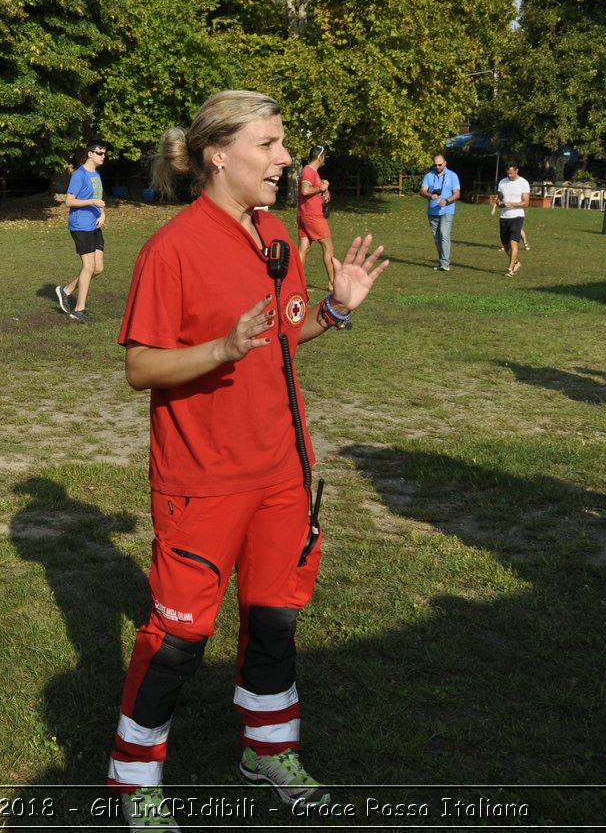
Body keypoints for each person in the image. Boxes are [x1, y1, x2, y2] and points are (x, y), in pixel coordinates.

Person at [106, 91, 388, 829]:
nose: (284, 159)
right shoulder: (171, 248)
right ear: (217, 154)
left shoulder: (275, 238)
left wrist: (336, 309)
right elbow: (141, 365)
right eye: (268, 144)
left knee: (274, 622)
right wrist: (220, 349)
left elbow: (283, 338)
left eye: (283, 143)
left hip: (282, 475)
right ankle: (134, 781)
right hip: (201, 481)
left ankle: (268, 749)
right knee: (178, 640)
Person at [56, 138, 108, 322]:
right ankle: (78, 309)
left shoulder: (96, 175)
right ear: (90, 153)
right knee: (89, 266)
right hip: (80, 225)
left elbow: (97, 198)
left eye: (104, 153)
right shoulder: (80, 175)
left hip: (94, 225)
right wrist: (92, 202)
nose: (103, 156)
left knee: (98, 268)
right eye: (100, 153)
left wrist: (101, 213)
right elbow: (69, 201)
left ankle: (66, 290)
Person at [296, 145, 334, 290]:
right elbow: (305, 190)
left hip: (304, 214)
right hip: (312, 216)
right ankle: (332, 283)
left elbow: (313, 191)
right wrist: (320, 188)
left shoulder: (312, 172)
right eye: (324, 157)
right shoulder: (309, 170)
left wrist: (323, 187)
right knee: (328, 247)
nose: (324, 160)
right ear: (320, 157)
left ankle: (296, 282)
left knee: (304, 249)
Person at [420, 154, 461, 270]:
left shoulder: (452, 176)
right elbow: (422, 191)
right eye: (435, 165)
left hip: (447, 210)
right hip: (432, 211)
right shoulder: (429, 176)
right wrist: (430, 195)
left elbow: (457, 194)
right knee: (437, 238)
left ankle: (445, 263)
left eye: (440, 164)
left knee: (444, 235)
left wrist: (447, 200)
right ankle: (442, 261)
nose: (437, 167)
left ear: (445, 163)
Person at [495, 162, 530, 276]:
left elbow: (526, 203)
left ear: (517, 171)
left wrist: (513, 204)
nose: (509, 176)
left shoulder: (523, 183)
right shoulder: (502, 182)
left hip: (517, 216)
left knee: (513, 242)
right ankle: (515, 262)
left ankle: (511, 269)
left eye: (511, 173)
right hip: (504, 217)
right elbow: (499, 199)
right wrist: (500, 203)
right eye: (508, 173)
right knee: (506, 245)